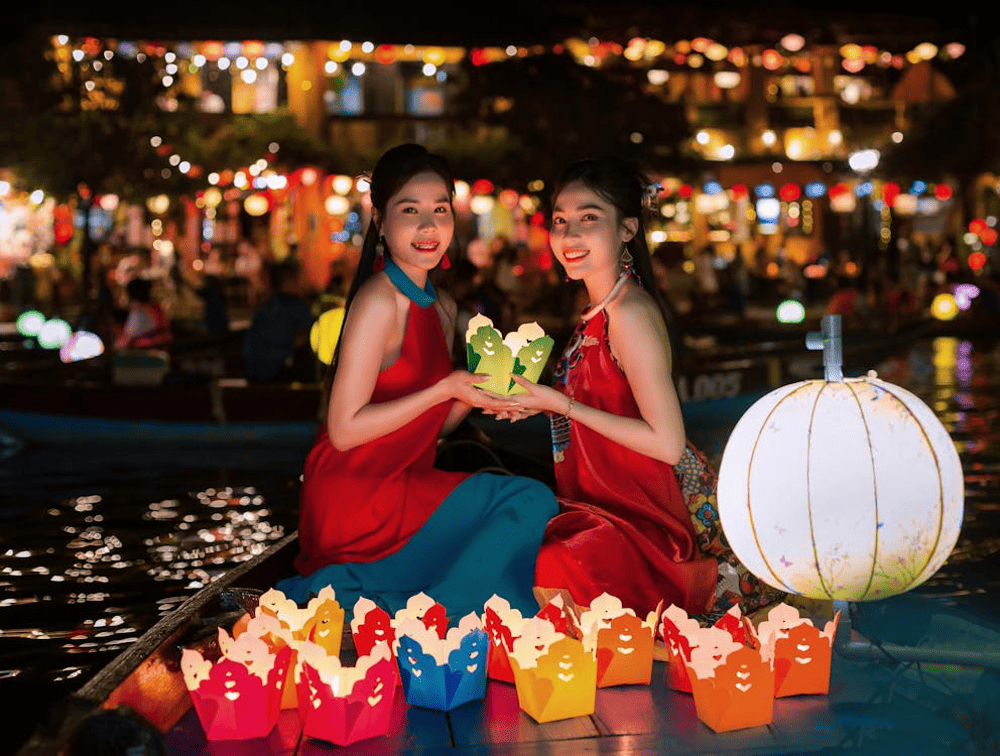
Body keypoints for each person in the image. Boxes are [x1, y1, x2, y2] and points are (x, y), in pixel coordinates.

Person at [276, 144, 558, 620]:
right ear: (381, 222)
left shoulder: (442, 307)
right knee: (528, 498)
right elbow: (344, 430)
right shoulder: (379, 300)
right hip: (356, 495)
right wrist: (447, 386)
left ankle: (414, 608)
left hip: (406, 484)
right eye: (410, 211)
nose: (429, 227)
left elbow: (433, 428)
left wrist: (474, 397)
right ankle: (435, 620)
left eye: (440, 210)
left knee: (531, 504)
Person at [507, 157, 782, 619]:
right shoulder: (596, 311)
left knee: (552, 561)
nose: (569, 236)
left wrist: (561, 404)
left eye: (589, 218)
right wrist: (537, 407)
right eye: (560, 221)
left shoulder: (629, 315)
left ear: (628, 228)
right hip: (600, 505)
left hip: (646, 518)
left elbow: (668, 443)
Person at [242, 262, 314, 382]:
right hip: (282, 375)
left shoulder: (265, 308)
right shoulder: (295, 306)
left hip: (256, 377)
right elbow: (311, 334)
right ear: (288, 281)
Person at [114, 277, 172, 350]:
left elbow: (126, 340)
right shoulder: (156, 307)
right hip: (163, 348)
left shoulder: (139, 312)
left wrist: (112, 349)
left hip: (146, 354)